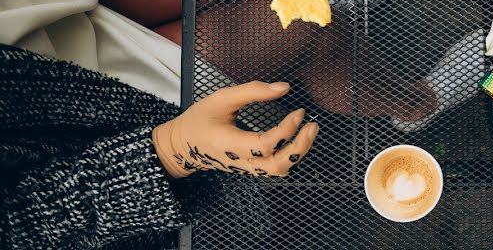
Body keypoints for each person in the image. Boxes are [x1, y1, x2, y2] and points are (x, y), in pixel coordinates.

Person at [0, 44, 319, 249]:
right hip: (114, 191)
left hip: (53, 42)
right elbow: (22, 226)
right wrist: (171, 150)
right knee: (305, 39)